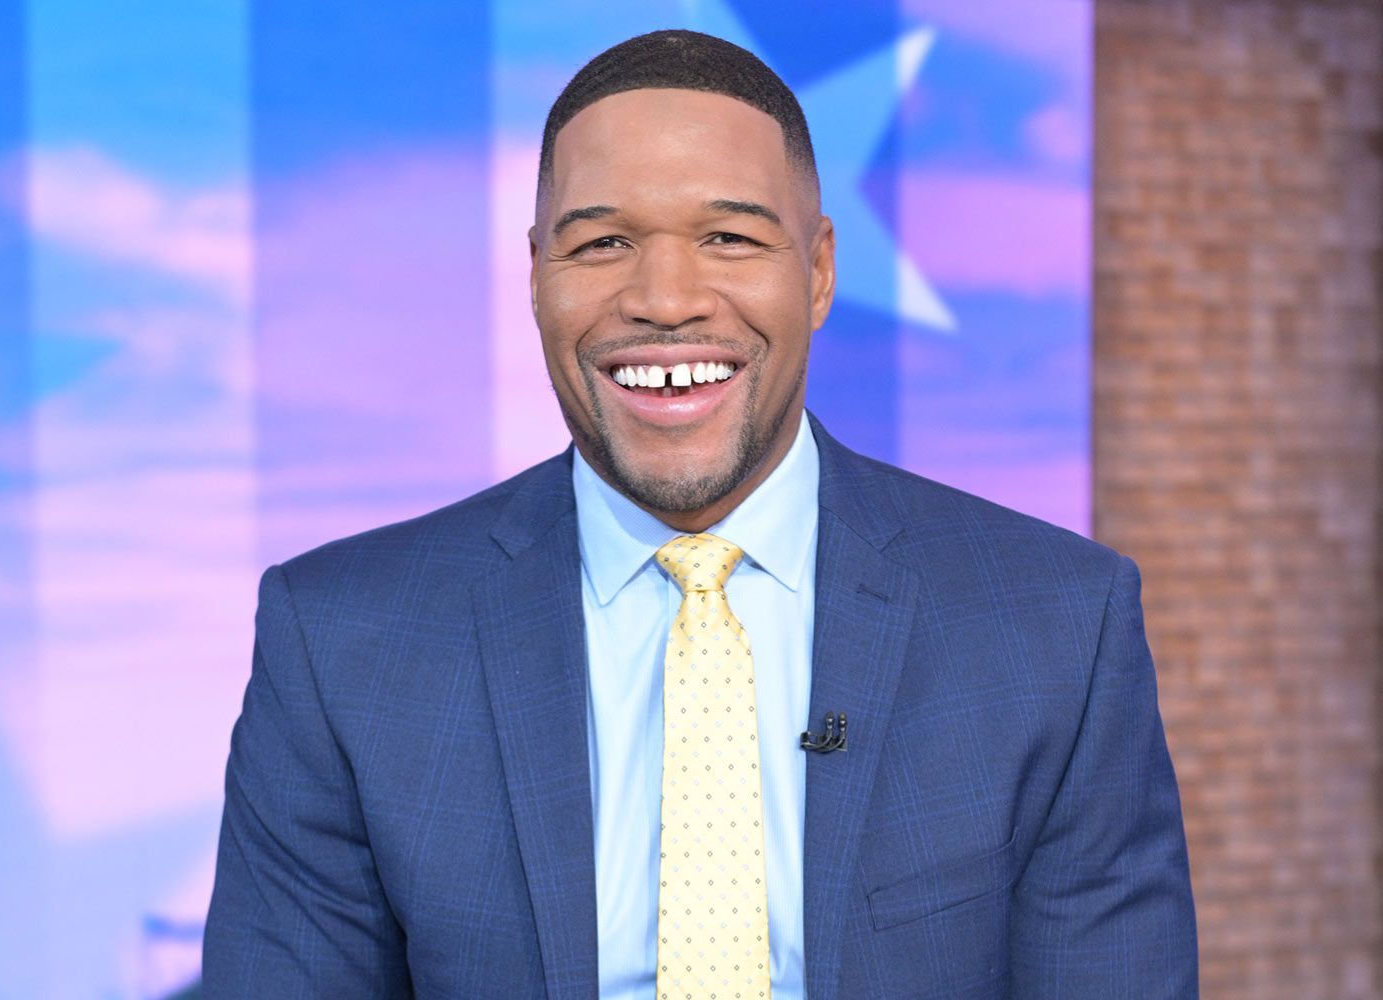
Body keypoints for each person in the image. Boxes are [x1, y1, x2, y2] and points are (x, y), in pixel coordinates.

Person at [203, 29, 1197, 999]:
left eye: (729, 238)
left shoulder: (1058, 625)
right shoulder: (340, 642)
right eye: (603, 243)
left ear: (818, 272)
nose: (666, 299)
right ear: (537, 276)